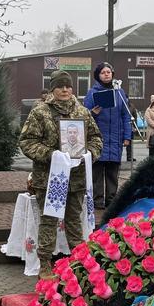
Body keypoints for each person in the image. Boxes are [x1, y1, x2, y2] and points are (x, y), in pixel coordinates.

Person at [19, 70, 103, 277]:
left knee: (74, 221)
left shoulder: (82, 112)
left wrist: (89, 154)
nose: (65, 90)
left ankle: (78, 263)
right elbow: (27, 141)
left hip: (75, 179)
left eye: (68, 86)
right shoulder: (40, 112)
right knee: (49, 221)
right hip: (49, 178)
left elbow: (96, 138)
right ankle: (45, 263)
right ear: (52, 89)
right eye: (60, 86)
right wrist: (51, 155)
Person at [83, 62, 131, 208]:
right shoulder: (92, 93)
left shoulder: (120, 93)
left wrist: (127, 136)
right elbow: (84, 115)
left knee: (112, 173)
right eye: (103, 72)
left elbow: (126, 116)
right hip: (98, 139)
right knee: (97, 172)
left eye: (108, 72)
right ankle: (97, 201)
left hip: (116, 139)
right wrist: (93, 113)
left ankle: (111, 200)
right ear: (98, 75)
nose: (106, 74)